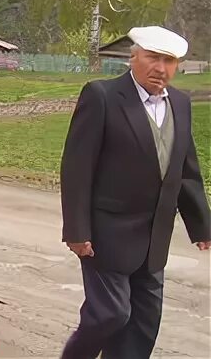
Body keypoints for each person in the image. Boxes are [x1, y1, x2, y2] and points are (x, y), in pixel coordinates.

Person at [60, 26, 211, 359]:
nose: (160, 68)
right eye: (153, 58)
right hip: (106, 235)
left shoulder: (181, 105)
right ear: (133, 57)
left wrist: (201, 226)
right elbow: (77, 167)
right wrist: (76, 229)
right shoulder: (102, 96)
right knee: (110, 313)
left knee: (143, 324)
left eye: (169, 61)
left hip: (155, 238)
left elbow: (185, 171)